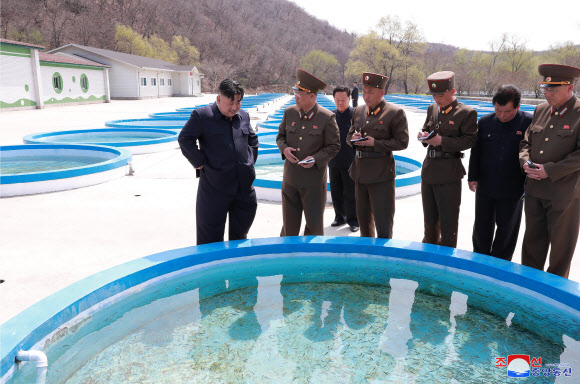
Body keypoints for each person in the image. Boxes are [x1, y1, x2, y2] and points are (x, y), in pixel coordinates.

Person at [178, 78, 259, 245]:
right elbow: (185, 138)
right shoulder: (203, 116)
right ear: (218, 99)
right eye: (231, 103)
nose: (235, 107)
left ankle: (236, 269)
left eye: (238, 102)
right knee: (210, 240)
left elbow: (252, 140)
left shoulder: (243, 116)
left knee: (240, 237)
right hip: (215, 189)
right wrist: (200, 162)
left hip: (243, 189)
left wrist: (249, 162)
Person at [519, 64, 580, 278]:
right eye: (545, 89)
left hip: (563, 194)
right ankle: (529, 285)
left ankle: (552, 293)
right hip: (535, 189)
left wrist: (550, 170)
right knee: (532, 243)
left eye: (553, 90)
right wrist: (525, 161)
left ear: (570, 88)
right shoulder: (541, 110)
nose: (547, 94)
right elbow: (526, 142)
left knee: (561, 249)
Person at [468, 85, 532, 260]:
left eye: (507, 111)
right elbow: (477, 151)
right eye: (498, 110)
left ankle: (500, 263)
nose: (502, 115)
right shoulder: (485, 122)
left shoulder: (528, 123)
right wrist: (472, 176)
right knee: (482, 225)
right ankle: (480, 260)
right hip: (486, 184)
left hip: (513, 187)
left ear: (518, 107)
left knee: (507, 228)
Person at [276, 68, 340, 236]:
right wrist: (284, 148)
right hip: (290, 179)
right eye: (295, 91)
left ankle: (312, 260)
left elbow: (334, 146)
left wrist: (316, 158)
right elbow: (280, 137)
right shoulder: (289, 112)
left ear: (312, 96)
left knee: (314, 228)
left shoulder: (327, 117)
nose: (296, 96)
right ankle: (288, 259)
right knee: (289, 228)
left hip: (313, 182)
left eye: (300, 93)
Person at [418, 71, 477, 247]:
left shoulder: (466, 112)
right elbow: (425, 128)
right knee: (429, 218)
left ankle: (446, 259)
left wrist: (442, 141)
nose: (436, 98)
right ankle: (428, 250)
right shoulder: (432, 109)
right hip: (429, 169)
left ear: (452, 91)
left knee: (448, 221)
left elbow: (470, 140)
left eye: (441, 95)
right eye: (434, 95)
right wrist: (423, 136)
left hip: (449, 171)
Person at [346, 72, 409, 238]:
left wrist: (375, 143)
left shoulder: (394, 113)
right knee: (364, 223)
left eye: (370, 92)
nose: (365, 96)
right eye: (364, 91)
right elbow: (348, 136)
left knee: (383, 224)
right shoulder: (358, 111)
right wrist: (353, 139)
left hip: (381, 175)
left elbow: (402, 142)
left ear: (382, 92)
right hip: (360, 173)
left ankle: (384, 260)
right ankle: (367, 259)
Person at [329, 86, 359, 232]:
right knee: (336, 191)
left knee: (351, 191)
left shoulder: (356, 114)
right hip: (333, 160)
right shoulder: (331, 115)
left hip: (351, 159)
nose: (340, 103)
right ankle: (339, 217)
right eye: (337, 100)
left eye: (343, 100)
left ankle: (353, 220)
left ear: (349, 99)